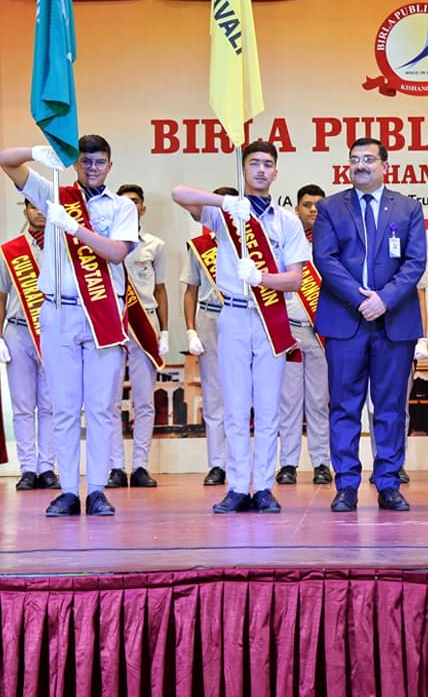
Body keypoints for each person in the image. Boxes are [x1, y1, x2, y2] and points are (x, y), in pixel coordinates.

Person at [0, 136, 139, 518]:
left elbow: (116, 252)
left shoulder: (122, 206)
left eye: (99, 162)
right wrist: (36, 153)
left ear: (110, 166)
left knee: (101, 409)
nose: (92, 168)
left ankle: (97, 491)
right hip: (58, 311)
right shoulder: (54, 195)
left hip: (102, 313)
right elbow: (5, 160)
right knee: (63, 408)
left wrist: (74, 228)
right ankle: (67, 491)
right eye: (85, 161)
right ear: (76, 163)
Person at [172, 141, 308, 514]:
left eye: (267, 164)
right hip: (232, 314)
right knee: (234, 404)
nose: (261, 170)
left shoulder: (287, 221)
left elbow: (295, 279)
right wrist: (225, 202)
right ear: (244, 169)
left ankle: (262, 487)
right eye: (254, 163)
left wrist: (262, 277)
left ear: (276, 171)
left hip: (271, 315)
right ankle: (236, 487)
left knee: (267, 407)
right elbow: (179, 194)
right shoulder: (225, 215)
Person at [313, 138, 427, 512]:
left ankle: (389, 483)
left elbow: (415, 262)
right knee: (344, 406)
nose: (360, 165)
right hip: (346, 319)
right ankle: (346, 484)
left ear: (385, 166)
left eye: (368, 159)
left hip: (394, 321)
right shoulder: (330, 207)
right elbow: (325, 259)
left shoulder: (408, 208)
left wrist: (384, 299)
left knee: (390, 407)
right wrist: (362, 300)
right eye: (354, 159)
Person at [0, 199, 57, 491]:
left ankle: (47, 468)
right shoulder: (10, 250)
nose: (39, 212)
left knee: (51, 406)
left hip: (54, 333)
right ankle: (28, 468)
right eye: (33, 206)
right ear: (25, 210)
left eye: (43, 206)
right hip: (17, 330)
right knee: (23, 405)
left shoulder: (63, 247)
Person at [106, 184, 169, 490]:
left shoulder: (155, 245)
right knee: (110, 401)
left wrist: (165, 330)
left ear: (143, 208)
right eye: (125, 203)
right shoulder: (104, 243)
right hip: (111, 322)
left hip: (145, 322)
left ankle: (140, 466)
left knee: (144, 401)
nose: (130, 207)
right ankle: (116, 467)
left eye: (135, 203)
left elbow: (161, 289)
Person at [277, 184, 333, 486]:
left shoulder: (333, 243)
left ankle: (322, 462)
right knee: (289, 402)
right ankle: (288, 463)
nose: (313, 210)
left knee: (319, 401)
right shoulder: (285, 241)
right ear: (296, 208)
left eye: (318, 206)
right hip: (291, 329)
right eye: (307, 205)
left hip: (322, 332)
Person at [181, 187, 235, 488]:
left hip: (241, 317)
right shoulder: (199, 246)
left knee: (243, 396)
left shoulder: (251, 244)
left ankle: (241, 462)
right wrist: (190, 329)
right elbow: (190, 291)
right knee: (214, 396)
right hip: (209, 317)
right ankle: (217, 464)